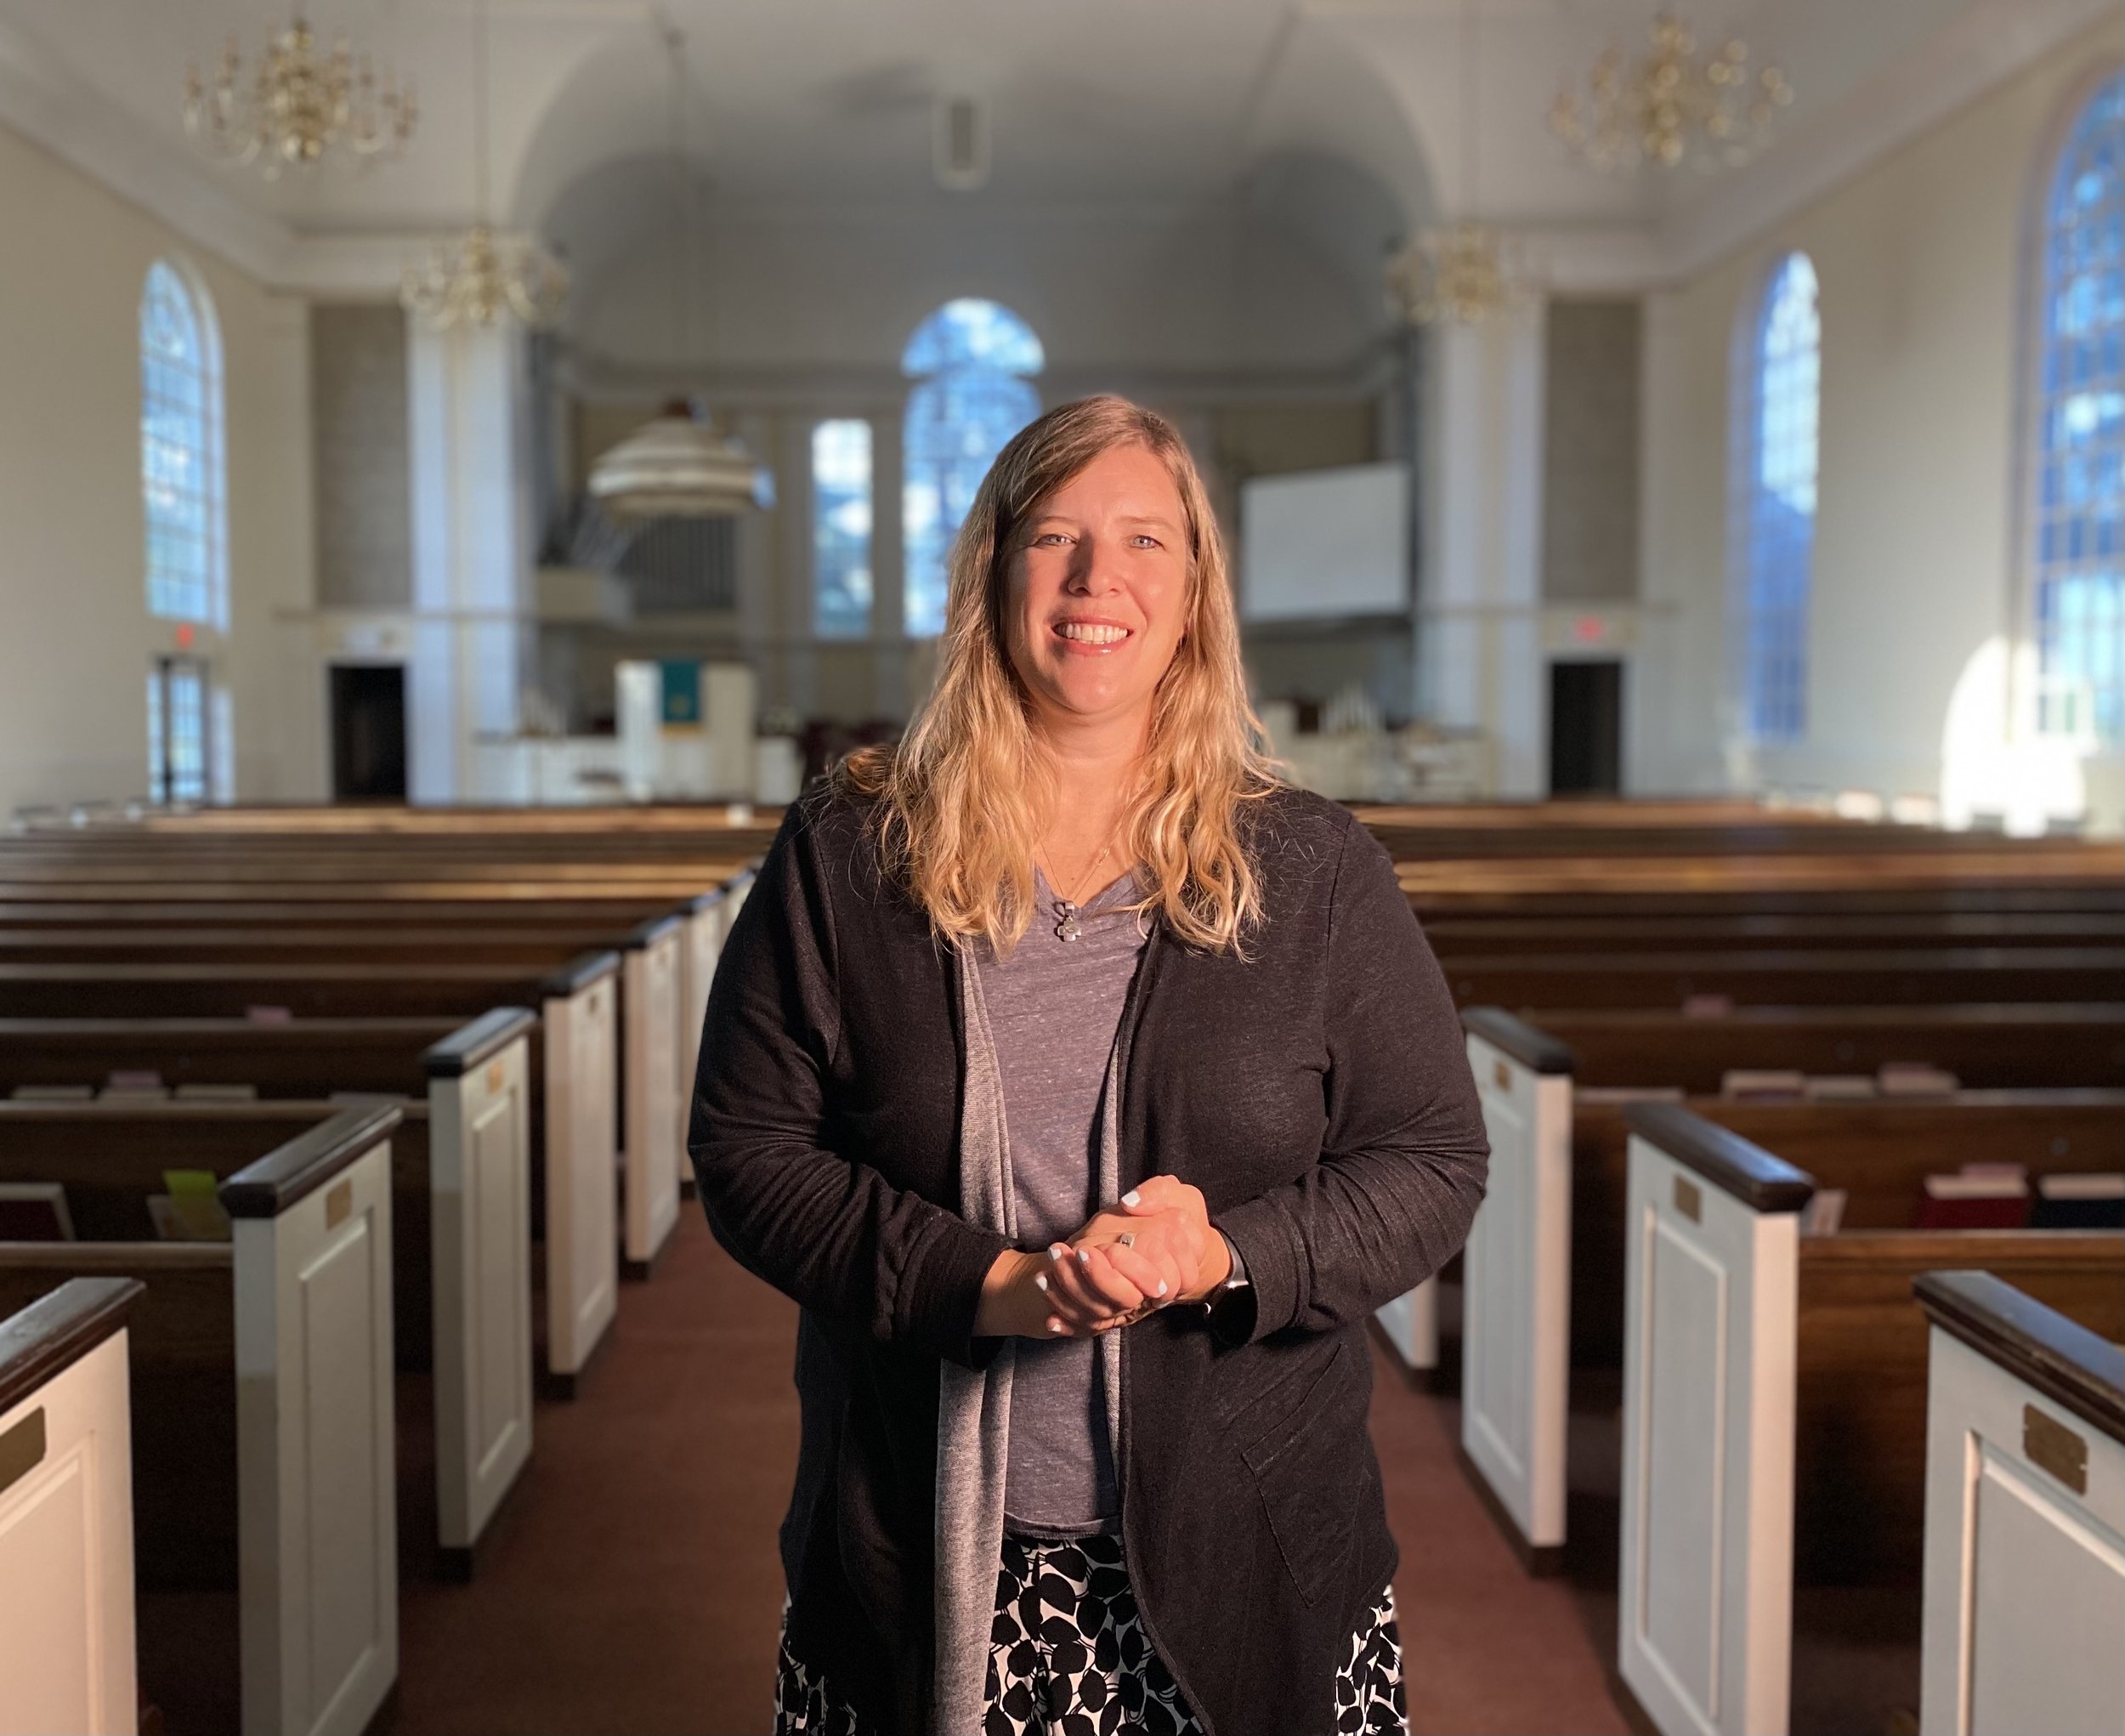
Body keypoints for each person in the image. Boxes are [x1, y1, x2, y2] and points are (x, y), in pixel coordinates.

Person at [691, 394, 1488, 1736]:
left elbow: (1432, 1158)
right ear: (994, 575)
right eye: (1053, 536)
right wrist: (984, 1286)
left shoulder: (1313, 866)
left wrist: (1222, 1254)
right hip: (922, 1542)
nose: (1094, 579)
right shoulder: (848, 850)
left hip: (1251, 1545)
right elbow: (751, 1151)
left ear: (1194, 592)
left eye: (1142, 541)